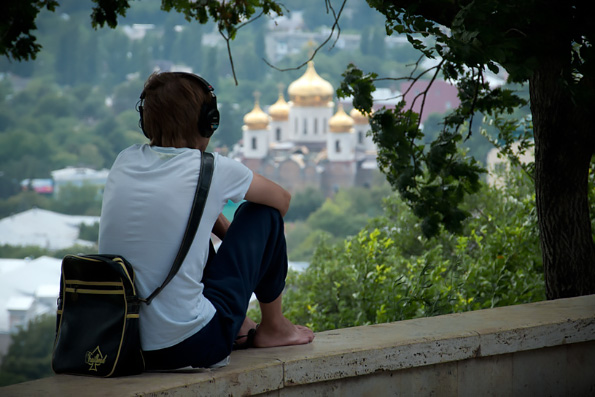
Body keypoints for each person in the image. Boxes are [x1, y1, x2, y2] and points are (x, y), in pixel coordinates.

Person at [98, 71, 314, 370]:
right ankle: (274, 327)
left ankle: (241, 327)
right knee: (262, 213)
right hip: (193, 345)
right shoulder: (212, 169)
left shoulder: (124, 160)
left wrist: (229, 241)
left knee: (185, 239)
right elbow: (281, 201)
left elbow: (188, 215)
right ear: (207, 121)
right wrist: (241, 246)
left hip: (125, 342)